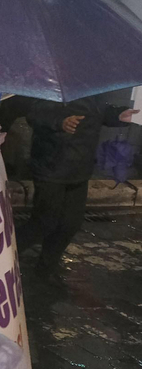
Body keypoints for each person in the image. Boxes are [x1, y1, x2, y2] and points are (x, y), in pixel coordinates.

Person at [16, 96, 137, 274]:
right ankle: (2, 255)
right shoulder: (55, 84)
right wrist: (60, 122)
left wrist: (118, 114)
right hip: (52, 164)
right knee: (44, 222)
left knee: (70, 223)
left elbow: (96, 113)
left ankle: (46, 268)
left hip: (80, 167)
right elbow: (35, 113)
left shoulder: (89, 85)